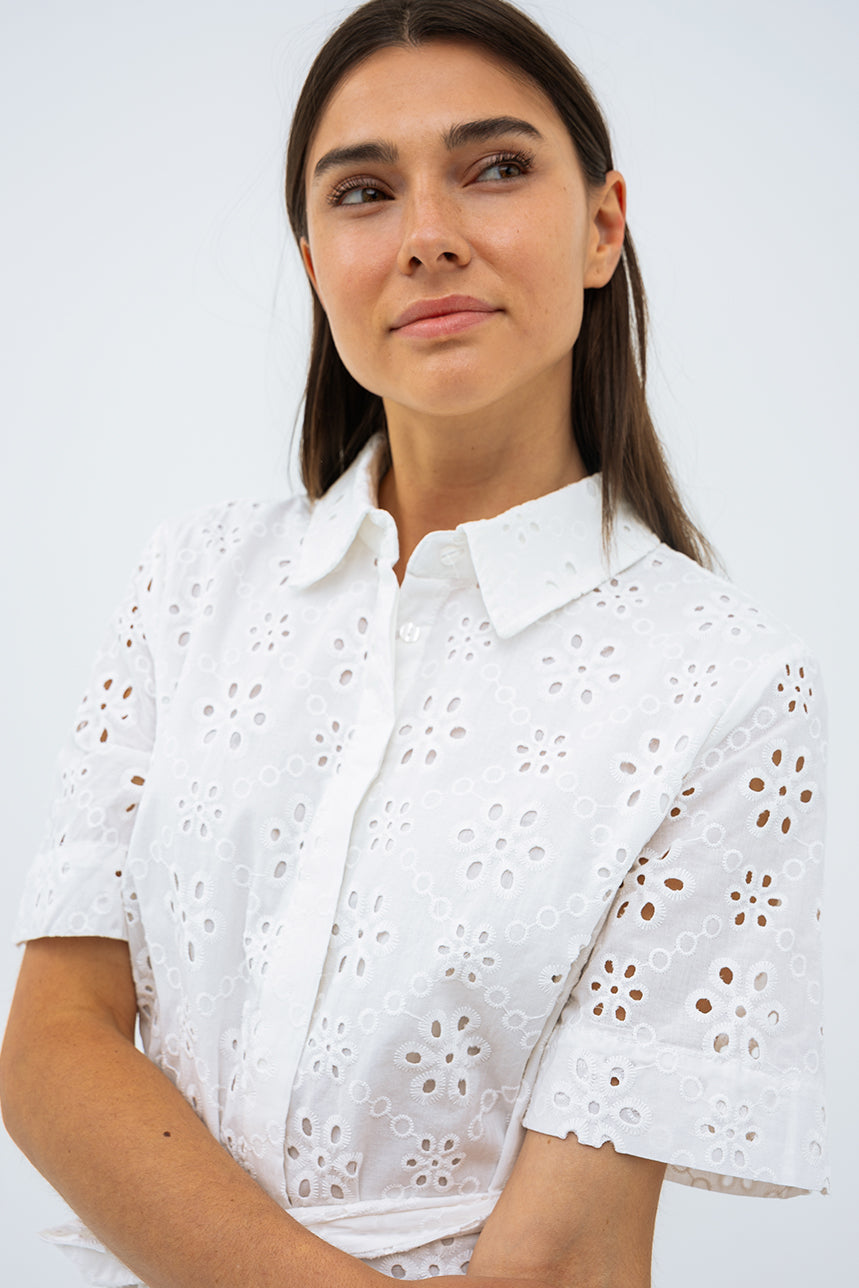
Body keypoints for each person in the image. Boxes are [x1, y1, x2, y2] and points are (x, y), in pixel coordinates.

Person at [0, 1, 827, 1285]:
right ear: (313, 257)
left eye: (494, 168)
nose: (428, 236)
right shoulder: (192, 583)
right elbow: (52, 1041)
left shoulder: (723, 686)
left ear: (602, 224)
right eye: (364, 192)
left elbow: (566, 1254)